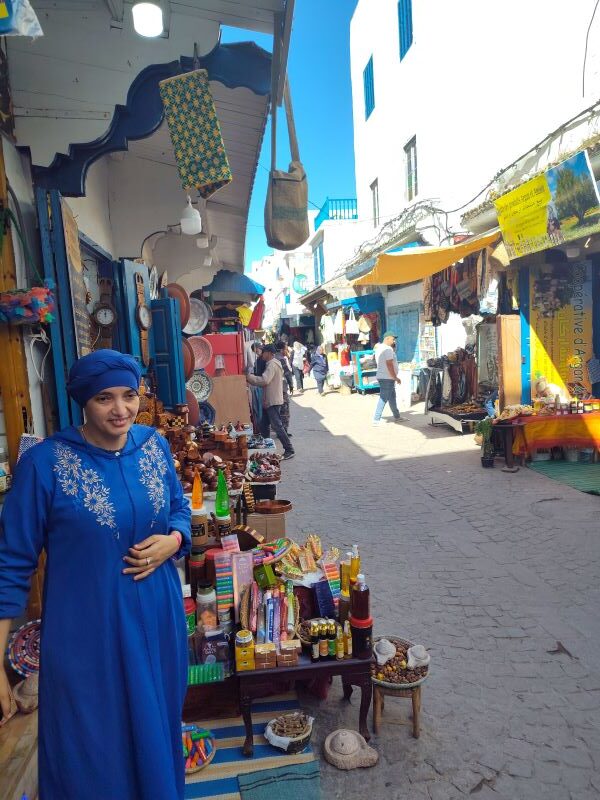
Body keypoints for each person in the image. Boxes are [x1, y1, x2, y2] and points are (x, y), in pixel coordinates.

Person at [0, 350, 191, 799]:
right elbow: (10, 566)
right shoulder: (44, 465)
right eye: (105, 398)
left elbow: (179, 507)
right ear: (83, 402)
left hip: (159, 622)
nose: (121, 409)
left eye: (129, 395)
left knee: (155, 728)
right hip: (89, 636)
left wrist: (175, 540)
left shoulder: (153, 445)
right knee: (92, 746)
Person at [246, 344, 295, 460]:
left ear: (268, 353)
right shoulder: (272, 363)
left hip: (273, 400)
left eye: (263, 353)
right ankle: (265, 449)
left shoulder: (272, 364)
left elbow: (264, 380)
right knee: (264, 425)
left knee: (277, 425)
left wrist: (248, 377)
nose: (261, 355)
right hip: (270, 400)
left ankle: (289, 449)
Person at [373, 331, 405, 425]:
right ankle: (376, 419)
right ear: (387, 338)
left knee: (392, 397)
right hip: (387, 377)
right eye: (393, 339)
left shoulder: (379, 348)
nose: (394, 341)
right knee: (383, 398)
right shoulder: (387, 349)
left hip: (384, 376)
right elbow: (389, 364)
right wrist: (395, 377)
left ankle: (397, 416)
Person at [275, 341, 293, 436]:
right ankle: (283, 432)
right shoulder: (281, 359)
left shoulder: (272, 358)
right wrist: (291, 385)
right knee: (284, 411)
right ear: (282, 349)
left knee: (278, 411)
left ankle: (281, 431)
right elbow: (287, 374)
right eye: (286, 348)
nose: (286, 350)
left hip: (274, 389)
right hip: (282, 389)